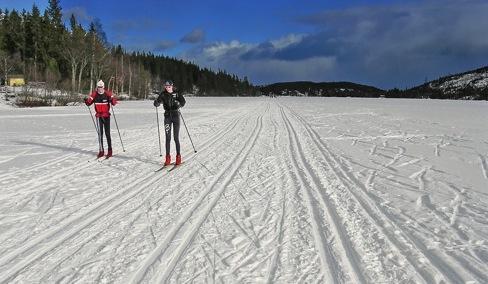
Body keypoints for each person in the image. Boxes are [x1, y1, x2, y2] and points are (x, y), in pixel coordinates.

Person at [153, 80, 186, 166]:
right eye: (166, 86)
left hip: (175, 116)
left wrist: (179, 104)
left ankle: (178, 157)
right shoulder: (163, 94)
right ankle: (167, 158)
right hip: (167, 117)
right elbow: (158, 102)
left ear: (172, 86)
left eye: (169, 86)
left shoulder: (177, 93)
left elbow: (183, 102)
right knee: (168, 138)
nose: (167, 88)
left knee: (176, 138)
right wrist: (156, 103)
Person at [84, 80, 118, 158]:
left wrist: (112, 100)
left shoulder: (108, 93)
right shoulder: (94, 94)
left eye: (101, 87)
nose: (100, 89)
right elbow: (89, 103)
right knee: (100, 134)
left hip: (106, 116)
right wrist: (86, 102)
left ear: (103, 87)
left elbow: (114, 103)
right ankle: (101, 151)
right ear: (97, 87)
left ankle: (110, 150)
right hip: (99, 116)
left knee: (107, 134)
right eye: (98, 87)